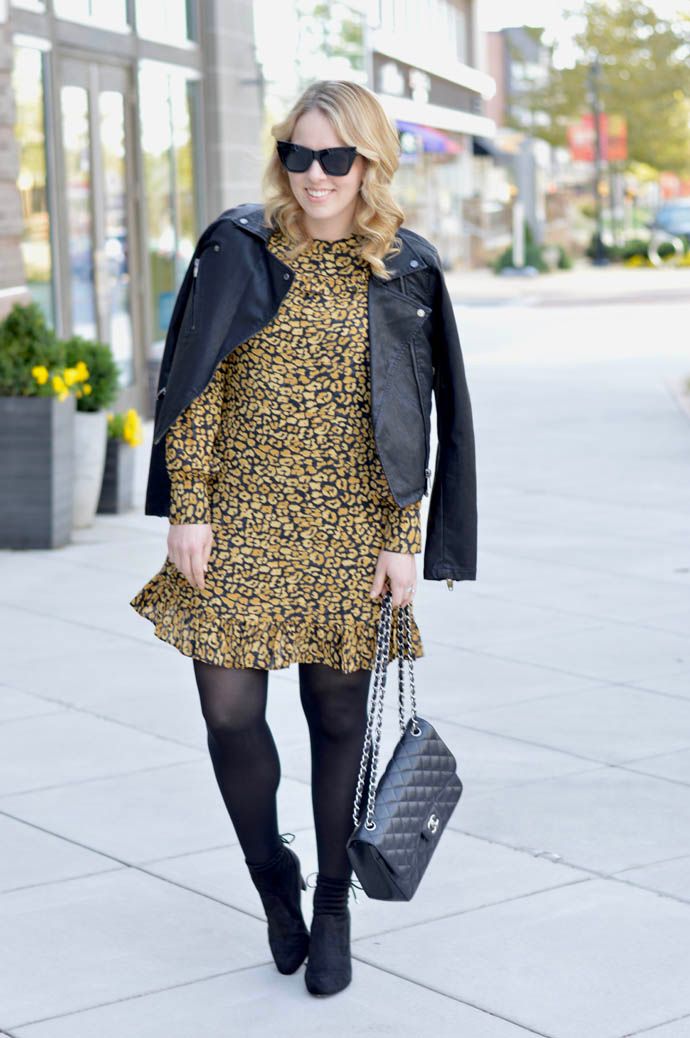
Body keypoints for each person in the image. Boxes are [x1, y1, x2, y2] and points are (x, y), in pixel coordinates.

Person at [130, 79, 477, 998]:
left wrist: (403, 535)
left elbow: (414, 415)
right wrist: (189, 506)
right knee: (228, 713)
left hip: (351, 522)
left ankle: (330, 903)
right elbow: (196, 385)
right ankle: (271, 876)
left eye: (335, 157)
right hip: (241, 516)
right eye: (299, 154)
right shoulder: (239, 245)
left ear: (370, 162)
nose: (315, 175)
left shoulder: (403, 266)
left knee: (336, 717)